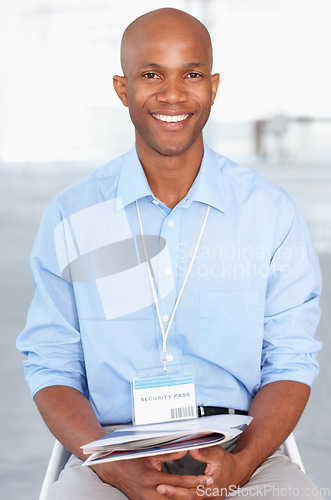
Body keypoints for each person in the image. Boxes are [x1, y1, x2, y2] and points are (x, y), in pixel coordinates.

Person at [17, 7, 323, 500]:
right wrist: (114, 469)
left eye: (192, 74)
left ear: (214, 86)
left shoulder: (269, 214)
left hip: (237, 450)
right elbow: (52, 364)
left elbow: (289, 361)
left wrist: (242, 465)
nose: (174, 93)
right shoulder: (73, 217)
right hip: (114, 454)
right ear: (122, 89)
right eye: (151, 74)